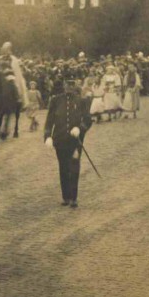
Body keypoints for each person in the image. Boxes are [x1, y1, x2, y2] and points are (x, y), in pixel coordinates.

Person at [44, 76, 92, 209]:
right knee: (63, 168)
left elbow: (88, 119)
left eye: (72, 84)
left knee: (74, 167)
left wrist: (80, 128)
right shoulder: (55, 101)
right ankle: (66, 196)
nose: (69, 87)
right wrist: (48, 136)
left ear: (75, 85)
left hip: (75, 142)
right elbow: (49, 121)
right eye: (67, 84)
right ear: (64, 85)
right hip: (59, 140)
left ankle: (74, 198)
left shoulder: (81, 101)